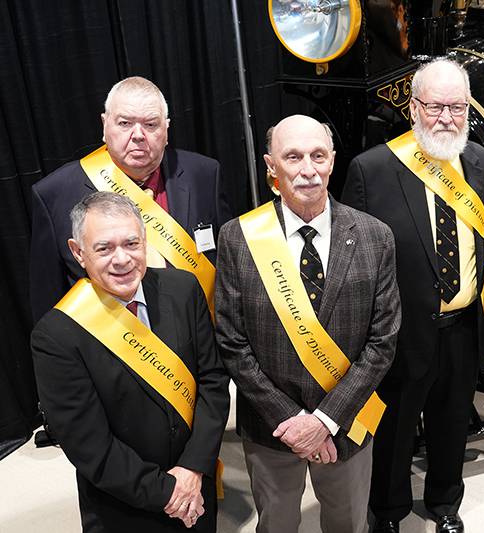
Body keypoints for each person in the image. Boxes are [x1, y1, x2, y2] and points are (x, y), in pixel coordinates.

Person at [215, 114, 401, 533]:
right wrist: (292, 421)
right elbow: (232, 341)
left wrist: (323, 421)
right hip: (272, 425)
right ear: (270, 166)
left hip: (348, 420)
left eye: (318, 155)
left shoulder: (376, 236)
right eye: (293, 157)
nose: (307, 169)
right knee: (277, 524)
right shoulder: (238, 237)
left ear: (333, 160)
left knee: (348, 523)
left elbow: (382, 341)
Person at [341, 58, 484, 533]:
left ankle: (444, 503)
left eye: (457, 107)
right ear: (413, 107)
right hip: (398, 334)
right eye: (435, 106)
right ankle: (388, 512)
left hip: (462, 328)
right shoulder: (371, 169)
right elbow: (354, 266)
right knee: (393, 431)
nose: (446, 118)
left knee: (452, 423)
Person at [30, 191, 230, 532]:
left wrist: (193, 469)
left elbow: (213, 383)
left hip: (196, 488)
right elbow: (91, 447)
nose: (121, 259)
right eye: (104, 248)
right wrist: (171, 492)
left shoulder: (183, 289)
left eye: (131, 244)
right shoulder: (56, 335)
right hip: (123, 509)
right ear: (78, 252)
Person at [29, 75, 231, 322]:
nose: (138, 135)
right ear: (105, 126)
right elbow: (48, 303)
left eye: (150, 124)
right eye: (125, 123)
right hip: (112, 347)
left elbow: (228, 270)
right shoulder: (55, 194)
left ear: (166, 130)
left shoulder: (204, 174)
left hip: (200, 338)